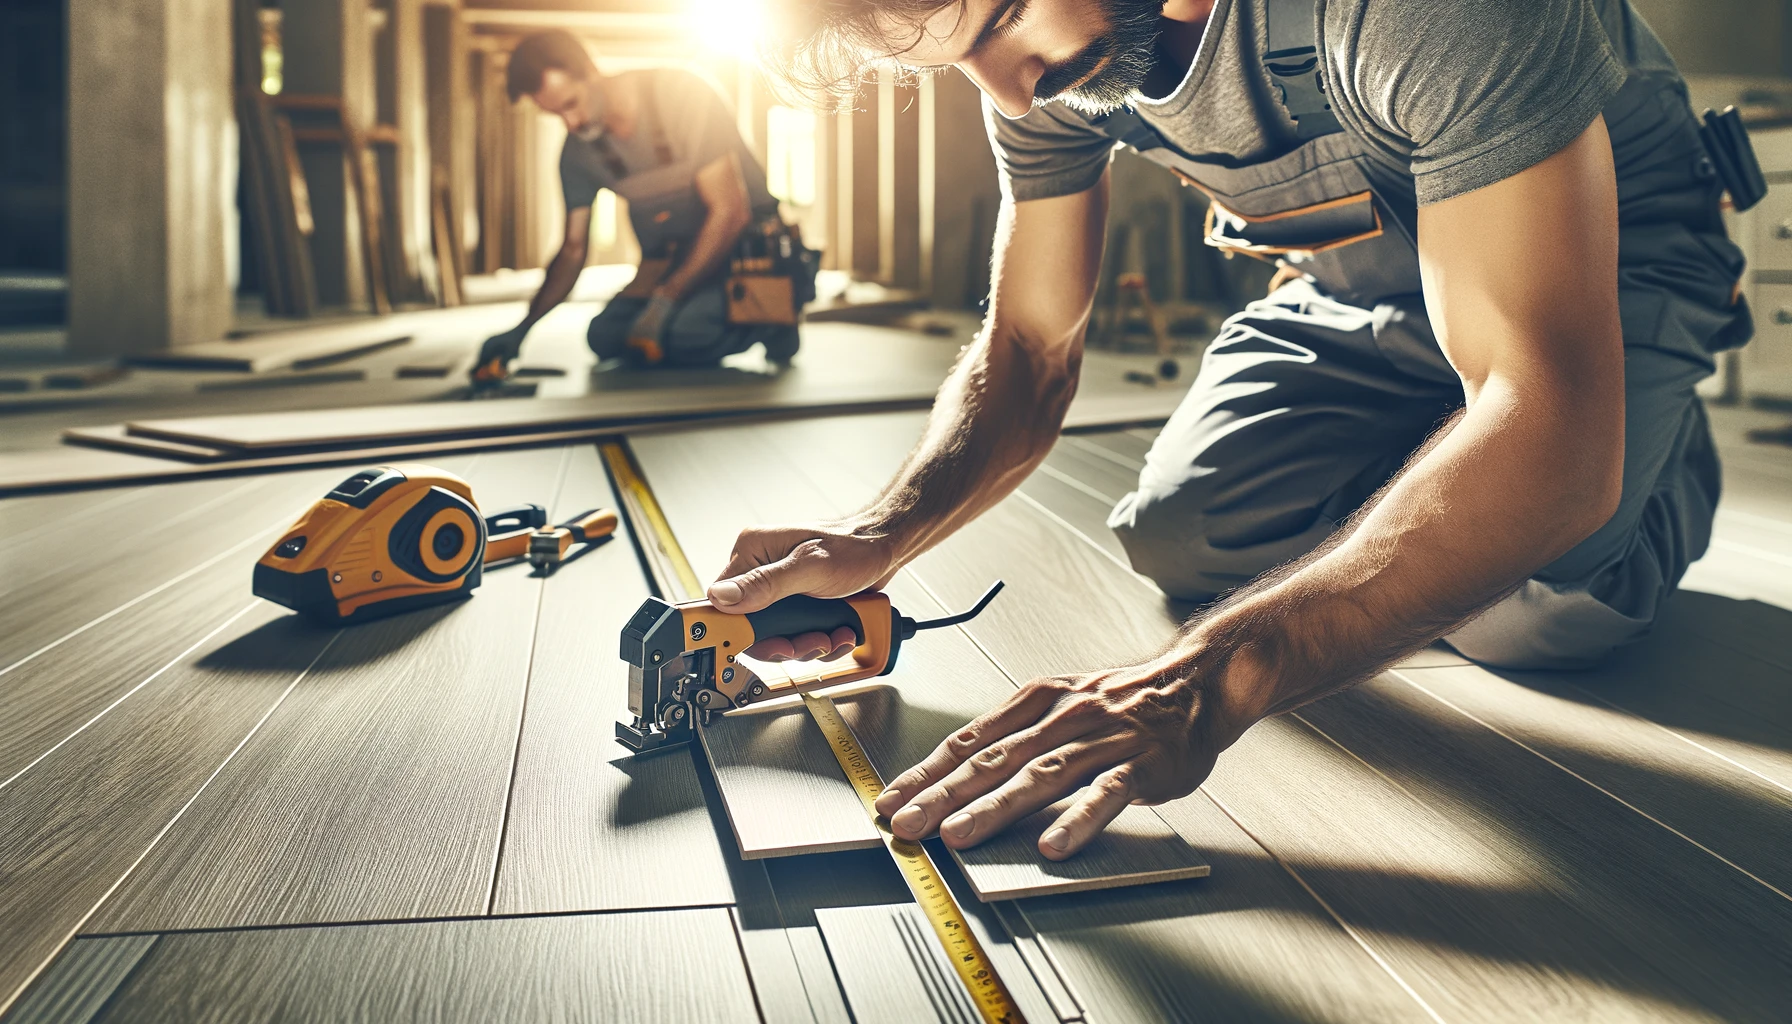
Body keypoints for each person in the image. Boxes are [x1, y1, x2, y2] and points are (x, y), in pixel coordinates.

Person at [714, 0, 1752, 860]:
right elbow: (1030, 344)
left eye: (1005, 17)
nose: (1008, 91)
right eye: (958, 65)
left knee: (1539, 604)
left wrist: (1212, 672)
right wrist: (880, 532)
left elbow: (1544, 424)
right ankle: (1461, 462)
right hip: (1358, 299)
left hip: (1599, 281)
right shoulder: (1058, 69)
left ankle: (1634, 451)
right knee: (1180, 534)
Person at [474, 31, 802, 380]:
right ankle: (690, 313)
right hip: (675, 263)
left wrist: (664, 302)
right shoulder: (579, 153)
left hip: (744, 257)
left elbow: (730, 212)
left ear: (590, 71)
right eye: (557, 115)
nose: (571, 123)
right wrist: (523, 328)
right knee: (603, 337)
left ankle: (774, 318)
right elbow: (572, 250)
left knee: (685, 335)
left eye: (571, 104)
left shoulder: (682, 94)